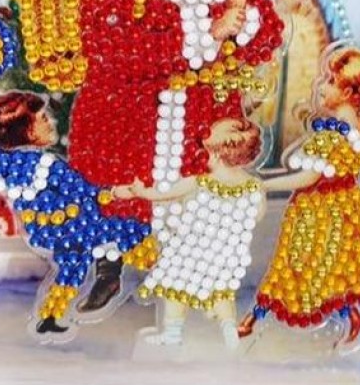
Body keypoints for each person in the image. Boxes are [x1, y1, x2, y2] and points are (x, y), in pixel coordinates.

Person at [67, 0, 285, 312]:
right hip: (133, 109)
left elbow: (265, 37)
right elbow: (108, 44)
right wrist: (208, 33)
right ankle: (109, 269)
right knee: (121, 193)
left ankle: (187, 283)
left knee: (192, 197)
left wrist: (247, 23)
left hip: (201, 114)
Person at [238, 48, 360, 346]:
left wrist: (262, 183)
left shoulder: (330, 139)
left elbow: (306, 179)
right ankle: (355, 319)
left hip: (314, 215)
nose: (320, 85)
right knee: (335, 270)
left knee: (292, 266)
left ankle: (253, 319)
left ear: (348, 93)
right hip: (344, 210)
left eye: (329, 80)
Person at [0, 90, 152, 334]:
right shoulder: (48, 166)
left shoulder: (7, 165)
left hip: (47, 233)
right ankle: (161, 272)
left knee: (70, 270)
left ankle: (49, 318)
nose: (51, 121)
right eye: (43, 119)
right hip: (76, 226)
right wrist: (115, 192)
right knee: (130, 232)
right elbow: (84, 191)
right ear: (27, 131)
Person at [112, 117, 265, 349]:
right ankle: (229, 333)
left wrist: (139, 191)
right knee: (221, 294)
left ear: (217, 154)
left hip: (191, 252)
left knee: (176, 290)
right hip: (226, 253)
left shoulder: (199, 182)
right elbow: (257, 214)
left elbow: (162, 194)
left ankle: (172, 335)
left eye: (208, 152)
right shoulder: (254, 186)